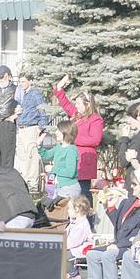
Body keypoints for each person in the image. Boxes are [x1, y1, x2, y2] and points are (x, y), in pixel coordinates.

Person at [53, 75, 103, 205]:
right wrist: (59, 88)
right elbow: (65, 104)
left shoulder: (95, 119)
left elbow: (95, 140)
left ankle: (89, 219)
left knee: (84, 194)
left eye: (79, 103)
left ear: (87, 105)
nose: (76, 106)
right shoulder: (77, 115)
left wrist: (73, 138)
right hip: (73, 159)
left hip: (84, 162)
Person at [13, 73, 49, 192]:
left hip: (31, 128)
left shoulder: (35, 93)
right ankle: (25, 184)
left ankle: (32, 186)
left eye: (23, 81)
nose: (21, 84)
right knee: (23, 158)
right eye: (20, 81)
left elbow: (43, 109)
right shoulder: (25, 95)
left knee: (32, 157)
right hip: (22, 128)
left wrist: (41, 127)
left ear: (30, 81)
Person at [38, 120, 80, 199]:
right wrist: (39, 145)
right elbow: (46, 156)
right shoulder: (58, 146)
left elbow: (70, 173)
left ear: (65, 132)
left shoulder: (71, 150)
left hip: (69, 189)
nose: (56, 133)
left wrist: (53, 169)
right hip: (59, 187)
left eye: (58, 130)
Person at [65, 195, 94, 279]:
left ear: (76, 210)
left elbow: (74, 242)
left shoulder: (81, 225)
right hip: (72, 247)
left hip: (80, 248)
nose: (67, 210)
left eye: (69, 208)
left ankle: (74, 274)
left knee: (64, 255)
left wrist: (61, 244)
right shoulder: (74, 222)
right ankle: (67, 272)